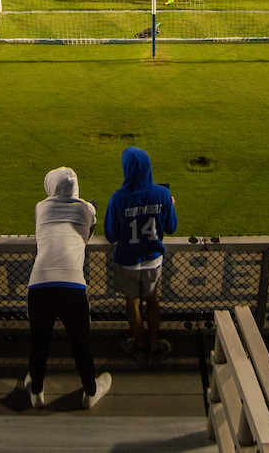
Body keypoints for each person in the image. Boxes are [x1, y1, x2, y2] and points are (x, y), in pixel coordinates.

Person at [24, 167, 112, 409]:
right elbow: (87, 228)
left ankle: (36, 391)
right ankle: (90, 392)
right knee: (80, 342)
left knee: (39, 341)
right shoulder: (86, 209)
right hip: (72, 284)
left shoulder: (41, 208)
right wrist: (90, 207)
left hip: (40, 283)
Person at [104, 147, 178, 365]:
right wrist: (169, 206)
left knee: (132, 304)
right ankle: (155, 348)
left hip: (127, 262)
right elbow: (171, 227)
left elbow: (110, 235)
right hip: (153, 260)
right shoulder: (162, 194)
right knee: (153, 301)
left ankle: (139, 346)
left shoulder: (118, 198)